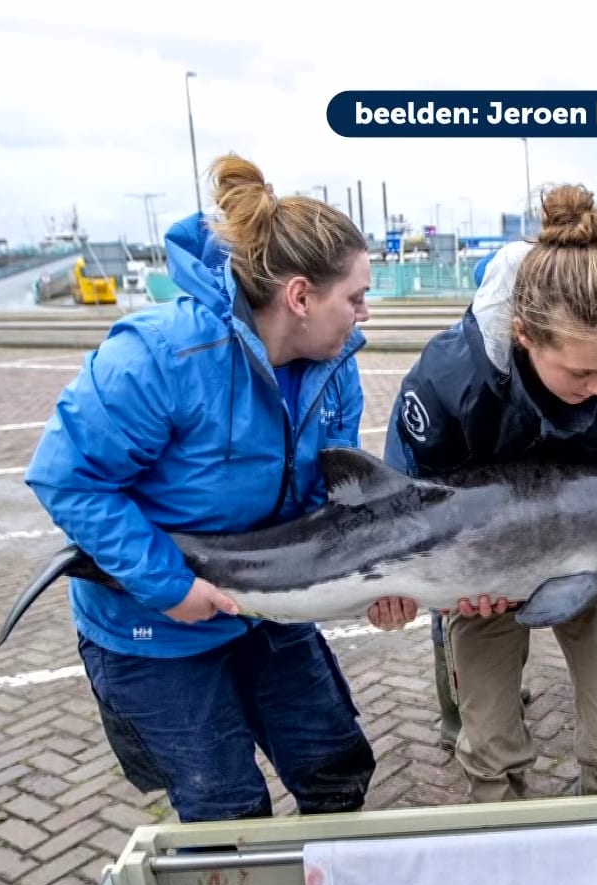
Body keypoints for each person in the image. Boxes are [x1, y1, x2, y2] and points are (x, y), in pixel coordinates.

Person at [24, 153, 377, 823]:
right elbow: (67, 478)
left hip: (266, 605)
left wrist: (373, 576)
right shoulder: (161, 356)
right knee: (226, 808)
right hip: (155, 622)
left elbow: (328, 505)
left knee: (334, 767)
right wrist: (168, 586)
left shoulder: (336, 369)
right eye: (355, 298)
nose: (365, 313)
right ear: (300, 297)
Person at [367, 184, 597, 801]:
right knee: (487, 746)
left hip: (587, 562)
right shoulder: (448, 384)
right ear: (523, 335)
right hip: (481, 569)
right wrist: (431, 591)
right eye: (580, 373)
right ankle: (505, 835)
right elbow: (401, 514)